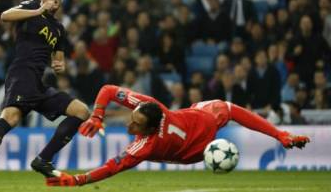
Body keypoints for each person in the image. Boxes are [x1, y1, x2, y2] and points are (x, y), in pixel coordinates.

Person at [46, 84, 310, 186]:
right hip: (200, 116)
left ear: (148, 130)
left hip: (194, 150)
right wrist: (97, 115)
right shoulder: (150, 105)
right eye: (132, 118)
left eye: (136, 125)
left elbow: (113, 166)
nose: (130, 126)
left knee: (226, 109)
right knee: (224, 107)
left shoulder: (147, 145)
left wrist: (79, 180)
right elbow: (108, 89)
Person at [0, 0, 90, 184]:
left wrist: (59, 65)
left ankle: (43, 160)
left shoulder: (59, 29)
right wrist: (37, 11)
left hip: (39, 82)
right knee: (11, 117)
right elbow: (5, 16)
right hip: (22, 74)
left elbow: (59, 59)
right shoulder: (32, 7)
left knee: (81, 111)